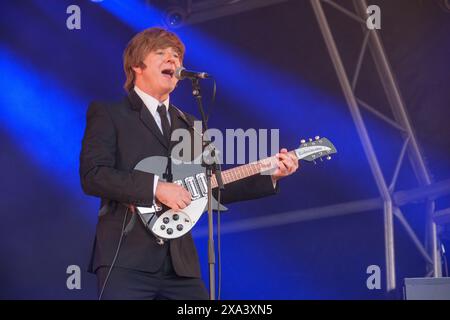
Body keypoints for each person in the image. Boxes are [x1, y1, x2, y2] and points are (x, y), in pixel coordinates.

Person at [79, 27, 299, 300]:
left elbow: (208, 189)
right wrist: (156, 188)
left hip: (180, 266)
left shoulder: (190, 124)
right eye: (161, 53)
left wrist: (270, 176)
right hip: (126, 260)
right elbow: (94, 175)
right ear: (137, 65)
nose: (173, 61)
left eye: (177, 56)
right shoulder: (109, 114)